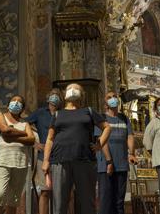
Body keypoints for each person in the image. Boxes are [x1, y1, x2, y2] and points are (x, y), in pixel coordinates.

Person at [42, 83, 111, 214]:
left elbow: (107, 127)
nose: (73, 90)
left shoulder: (89, 111)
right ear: (65, 94)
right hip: (59, 160)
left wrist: (99, 144)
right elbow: (50, 138)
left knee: (87, 202)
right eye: (69, 89)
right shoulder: (57, 114)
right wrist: (46, 160)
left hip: (85, 160)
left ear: (82, 95)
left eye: (77, 89)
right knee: (60, 203)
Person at [0, 95, 36, 214]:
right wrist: (23, 133)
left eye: (19, 102)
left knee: (14, 199)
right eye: (13, 101)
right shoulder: (0, 116)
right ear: (8, 104)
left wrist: (13, 138)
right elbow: (5, 130)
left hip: (20, 163)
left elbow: (31, 140)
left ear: (22, 108)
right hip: (2, 161)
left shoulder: (25, 123)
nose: (16, 103)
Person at [96, 91, 137, 214]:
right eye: (109, 97)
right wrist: (109, 161)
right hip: (106, 165)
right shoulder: (101, 118)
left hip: (122, 164)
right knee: (106, 200)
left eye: (114, 96)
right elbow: (102, 142)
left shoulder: (124, 118)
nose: (113, 99)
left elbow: (129, 136)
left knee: (119, 201)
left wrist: (131, 153)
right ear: (105, 104)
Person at [26, 88, 63, 214]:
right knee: (45, 191)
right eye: (53, 94)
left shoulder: (63, 113)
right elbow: (25, 124)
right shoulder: (40, 113)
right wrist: (34, 143)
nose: (55, 97)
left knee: (62, 192)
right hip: (44, 157)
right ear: (48, 98)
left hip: (62, 157)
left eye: (57, 95)